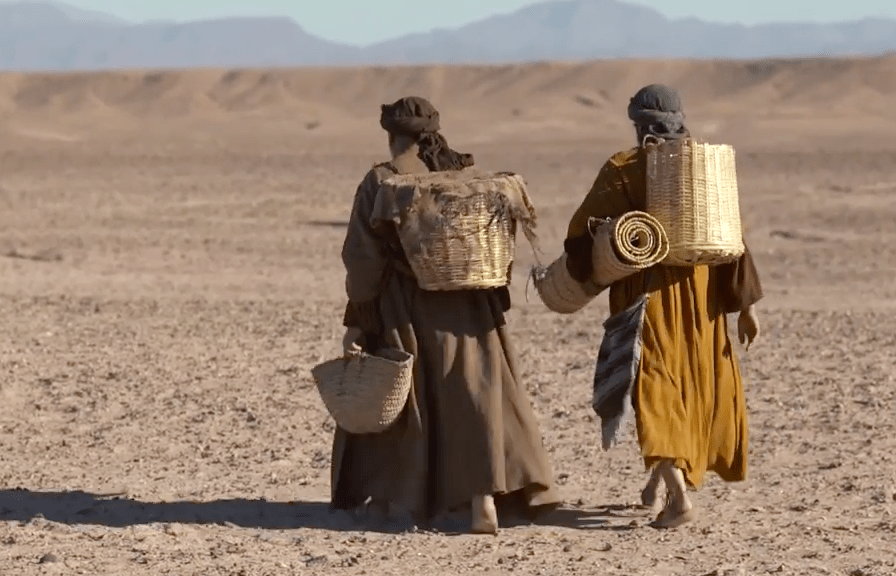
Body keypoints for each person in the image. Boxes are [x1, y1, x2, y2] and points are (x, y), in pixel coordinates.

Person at [333, 95, 560, 534]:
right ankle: (484, 499)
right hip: (473, 307)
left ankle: (412, 496)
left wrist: (359, 318)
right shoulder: (464, 176)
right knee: (479, 394)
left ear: (390, 133)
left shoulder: (381, 180)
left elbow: (362, 260)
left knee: (419, 400)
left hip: (410, 307)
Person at [563, 84, 764, 528]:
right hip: (702, 295)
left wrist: (585, 261)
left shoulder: (624, 168)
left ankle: (679, 499)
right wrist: (747, 307)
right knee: (690, 384)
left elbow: (581, 230)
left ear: (639, 124)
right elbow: (731, 236)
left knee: (652, 387)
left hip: (647, 295)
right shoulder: (702, 166)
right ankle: (657, 485)